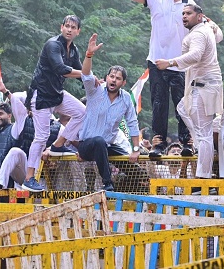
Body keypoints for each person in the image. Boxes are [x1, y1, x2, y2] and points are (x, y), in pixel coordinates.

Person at [122, 0, 193, 158]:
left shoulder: (190, 6)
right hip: (156, 60)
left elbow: (202, 27)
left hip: (179, 63)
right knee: (159, 103)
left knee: (182, 104)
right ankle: (159, 144)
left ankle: (186, 142)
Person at [156, 4, 223, 180]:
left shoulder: (199, 33)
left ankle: (203, 176)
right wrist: (209, 21)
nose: (184, 16)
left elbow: (195, 56)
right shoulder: (207, 28)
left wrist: (169, 62)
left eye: (189, 13)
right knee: (183, 109)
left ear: (199, 16)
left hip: (204, 86)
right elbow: (220, 36)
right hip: (202, 85)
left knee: (204, 133)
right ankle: (200, 146)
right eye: (183, 13)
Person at [23, 15, 88, 191]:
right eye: (67, 26)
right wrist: (85, 75)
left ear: (78, 31)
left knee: (82, 112)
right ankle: (29, 178)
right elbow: (61, 69)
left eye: (73, 27)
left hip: (57, 94)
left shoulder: (73, 50)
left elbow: (82, 72)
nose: (69, 29)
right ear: (61, 27)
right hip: (42, 95)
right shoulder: (52, 45)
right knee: (41, 136)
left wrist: (95, 84)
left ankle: (59, 145)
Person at [76, 33, 141, 191]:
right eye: (111, 76)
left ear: (123, 83)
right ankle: (107, 184)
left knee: (133, 167)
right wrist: (89, 54)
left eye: (118, 78)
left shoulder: (126, 99)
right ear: (106, 77)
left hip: (107, 146)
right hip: (87, 145)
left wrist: (136, 149)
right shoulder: (95, 90)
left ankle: (133, 189)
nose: (114, 80)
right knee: (98, 141)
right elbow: (85, 74)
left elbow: (132, 123)